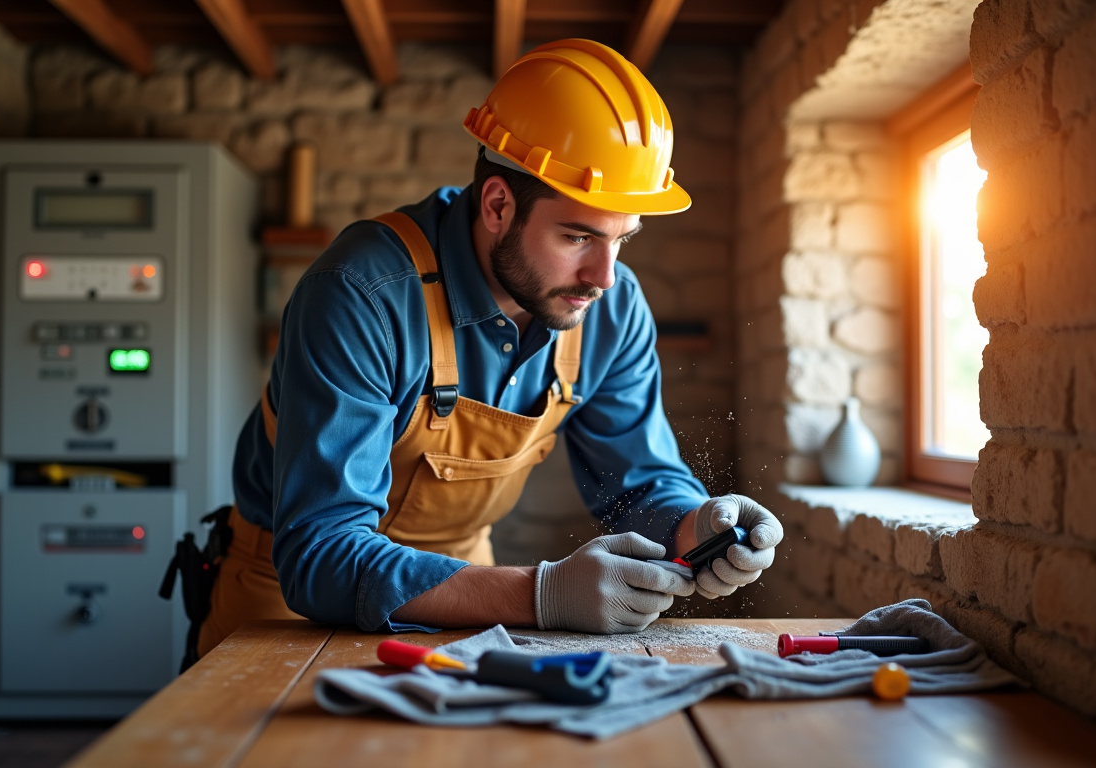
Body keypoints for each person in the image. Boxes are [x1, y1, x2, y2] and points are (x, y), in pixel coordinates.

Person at [196, 39, 784, 657]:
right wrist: (543, 596)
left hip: (469, 581)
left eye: (623, 240)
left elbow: (638, 485)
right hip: (282, 600)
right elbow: (321, 554)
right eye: (579, 236)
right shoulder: (361, 294)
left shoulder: (610, 306)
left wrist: (699, 526)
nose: (605, 277)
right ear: (499, 205)